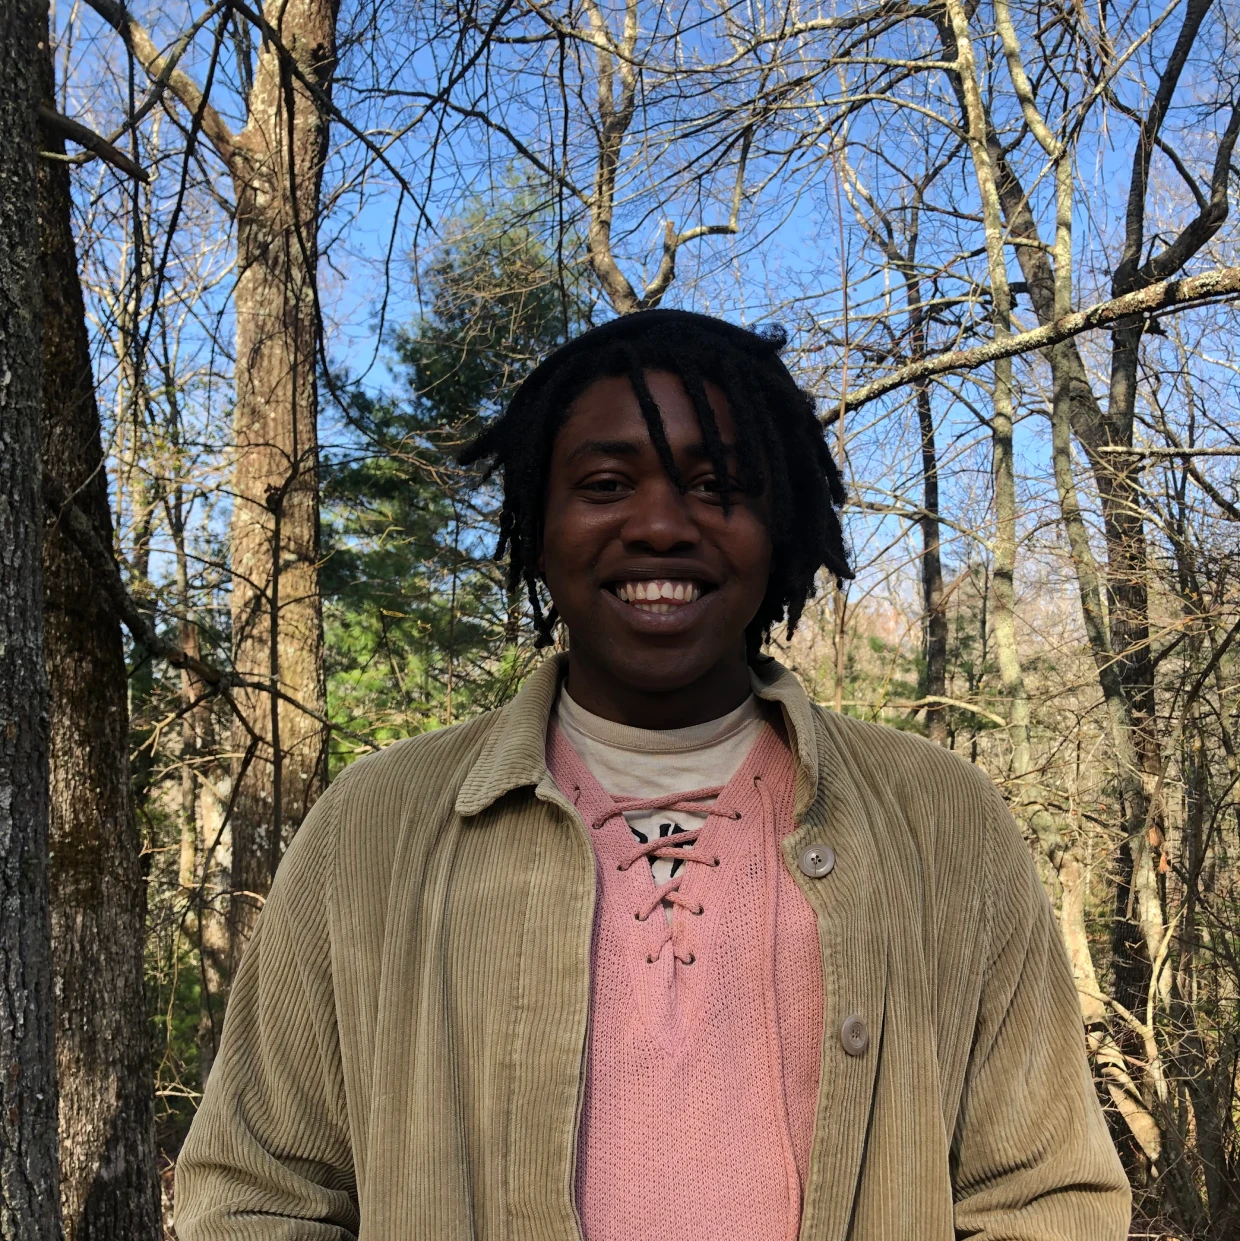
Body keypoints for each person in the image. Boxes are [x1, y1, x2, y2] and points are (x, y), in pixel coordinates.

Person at [175, 309, 1130, 1239]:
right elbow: (260, 1189)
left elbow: (1043, 1194)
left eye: (717, 486)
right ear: (538, 526)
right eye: (605, 483)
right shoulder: (372, 829)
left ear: (779, 524)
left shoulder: (943, 823)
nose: (662, 526)